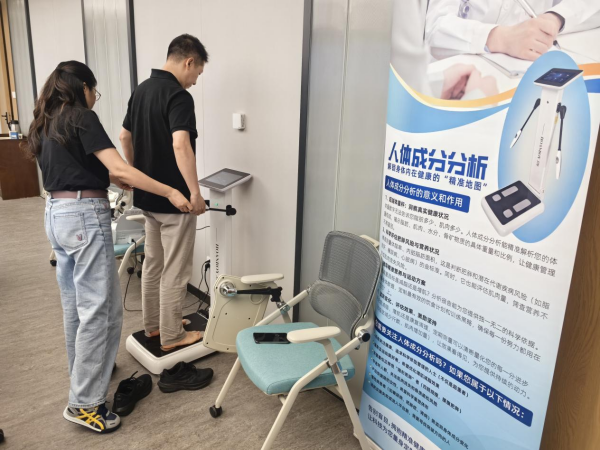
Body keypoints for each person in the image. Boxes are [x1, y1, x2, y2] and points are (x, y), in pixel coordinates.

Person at [27, 60, 193, 433]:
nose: (94, 97)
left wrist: (112, 179)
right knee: (101, 312)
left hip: (56, 214)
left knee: (77, 307)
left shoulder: (47, 119)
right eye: (94, 91)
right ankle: (85, 403)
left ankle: (85, 372)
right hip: (84, 217)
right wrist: (171, 191)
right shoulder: (81, 116)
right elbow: (119, 168)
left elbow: (79, 167)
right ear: (83, 87)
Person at [120, 34, 207, 352]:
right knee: (176, 270)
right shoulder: (179, 96)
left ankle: (155, 326)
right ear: (189, 62)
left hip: (149, 199)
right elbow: (181, 144)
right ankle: (172, 336)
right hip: (176, 202)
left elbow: (124, 136)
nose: (195, 81)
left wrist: (137, 176)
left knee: (153, 265)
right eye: (197, 73)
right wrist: (194, 193)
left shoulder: (141, 90)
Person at [426, 0, 600, 61]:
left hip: (525, 72)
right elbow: (436, 28)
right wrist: (499, 38)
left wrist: (555, 18)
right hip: (453, 77)